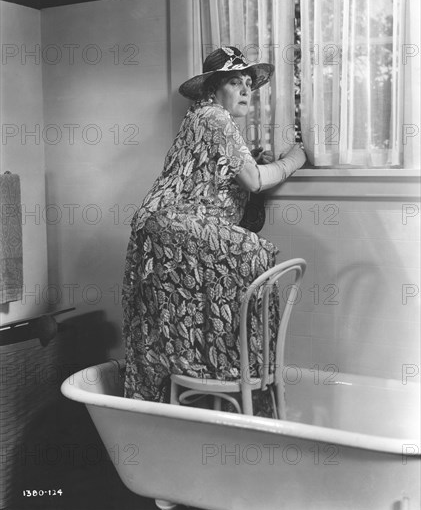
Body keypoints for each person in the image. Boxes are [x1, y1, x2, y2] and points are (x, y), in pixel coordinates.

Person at [122, 46, 306, 412]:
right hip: (173, 225)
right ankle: (233, 366)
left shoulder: (209, 121)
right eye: (235, 82)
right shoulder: (213, 117)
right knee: (253, 253)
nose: (245, 91)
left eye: (248, 84)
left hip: (173, 227)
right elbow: (253, 180)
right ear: (213, 88)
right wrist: (295, 159)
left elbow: (232, 176)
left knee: (201, 298)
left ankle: (216, 364)